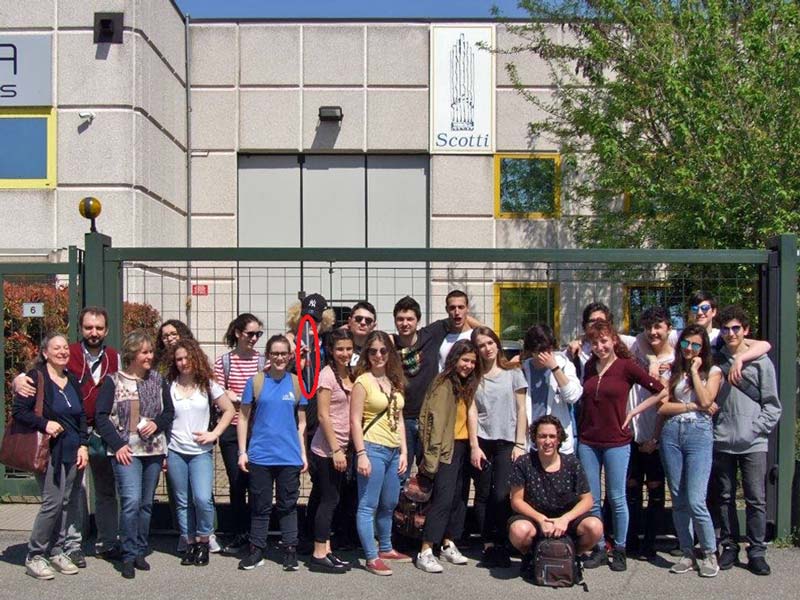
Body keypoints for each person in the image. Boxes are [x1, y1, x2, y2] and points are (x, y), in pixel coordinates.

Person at [12, 306, 121, 563]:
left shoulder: (114, 357)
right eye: (88, 327)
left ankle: (106, 542)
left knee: (106, 490)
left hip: (102, 432)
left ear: (106, 330)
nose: (93, 332)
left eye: (99, 328)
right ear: (81, 328)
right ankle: (73, 544)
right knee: (73, 494)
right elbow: (34, 373)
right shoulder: (66, 353)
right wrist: (17, 379)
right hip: (69, 437)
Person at [577, 319, 665, 572]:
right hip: (589, 441)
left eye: (604, 341)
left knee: (617, 497)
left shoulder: (627, 366)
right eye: (594, 342)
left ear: (614, 339)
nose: (600, 346)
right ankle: (600, 546)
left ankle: (621, 548)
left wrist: (634, 412)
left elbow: (660, 391)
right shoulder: (589, 367)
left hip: (617, 441)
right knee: (592, 499)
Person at [94, 330, 174, 579]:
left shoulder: (158, 380)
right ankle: (128, 554)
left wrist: (157, 424)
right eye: (145, 352)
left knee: (146, 504)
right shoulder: (113, 381)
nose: (150, 356)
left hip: (153, 449)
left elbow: (169, 413)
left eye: (151, 351)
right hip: (126, 450)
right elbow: (101, 417)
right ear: (132, 354)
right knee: (130, 502)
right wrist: (117, 444)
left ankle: (140, 548)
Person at [712, 306, 782, 576]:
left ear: (745, 331)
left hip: (753, 442)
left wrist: (756, 429)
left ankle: (756, 551)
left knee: (755, 498)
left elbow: (773, 405)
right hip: (722, 440)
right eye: (726, 329)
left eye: (736, 328)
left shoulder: (761, 362)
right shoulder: (715, 361)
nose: (731, 333)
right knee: (725, 497)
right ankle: (729, 546)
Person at [13, 333, 89, 580]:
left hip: (72, 451)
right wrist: (45, 424)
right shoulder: (36, 378)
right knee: (52, 503)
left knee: (67, 503)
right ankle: (35, 555)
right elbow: (19, 412)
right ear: (45, 352)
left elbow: (80, 418)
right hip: (50, 453)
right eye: (56, 348)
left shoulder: (72, 380)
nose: (62, 351)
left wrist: (83, 445)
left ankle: (56, 550)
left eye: (65, 347)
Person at [237, 335, 308, 572]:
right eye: (274, 353)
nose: (279, 358)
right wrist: (242, 451)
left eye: (283, 353)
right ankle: (256, 549)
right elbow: (243, 418)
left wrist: (303, 455)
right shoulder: (255, 382)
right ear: (268, 355)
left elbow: (301, 424)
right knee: (260, 504)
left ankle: (290, 549)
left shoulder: (297, 384)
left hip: (289, 456)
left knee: (288, 505)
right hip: (260, 456)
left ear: (290, 356)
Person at [392, 295, 482, 479]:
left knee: (430, 471)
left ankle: (424, 508)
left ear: (418, 320)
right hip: (403, 419)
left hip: (429, 417)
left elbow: (460, 317)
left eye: (410, 319)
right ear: (394, 321)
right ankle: (400, 507)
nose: (405, 323)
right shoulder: (389, 344)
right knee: (400, 473)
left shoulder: (431, 334)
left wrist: (484, 333)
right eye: (400, 319)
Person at [657, 324, 722, 577]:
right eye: (686, 344)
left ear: (703, 347)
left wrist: (695, 372)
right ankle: (686, 551)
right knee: (678, 497)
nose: (690, 349)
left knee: (696, 499)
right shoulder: (670, 371)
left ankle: (708, 552)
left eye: (696, 345)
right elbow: (662, 407)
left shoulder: (712, 371)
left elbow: (708, 400)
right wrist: (691, 406)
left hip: (699, 434)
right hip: (672, 433)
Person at [166, 338, 235, 566]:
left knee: (203, 498)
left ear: (195, 357)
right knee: (182, 500)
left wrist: (214, 434)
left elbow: (229, 409)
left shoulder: (207, 384)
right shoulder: (170, 385)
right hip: (175, 449)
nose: (183, 362)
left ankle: (204, 540)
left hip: (200, 451)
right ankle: (189, 542)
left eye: (187, 357)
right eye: (179, 359)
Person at [508, 415, 604, 578]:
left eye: (552, 436)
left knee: (595, 527)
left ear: (559, 439)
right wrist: (540, 519)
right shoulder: (524, 463)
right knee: (519, 531)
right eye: (542, 436)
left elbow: (588, 500)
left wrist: (565, 519)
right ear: (535, 438)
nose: (547, 441)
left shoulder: (572, 463)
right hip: (534, 518)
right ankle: (531, 557)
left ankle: (572, 555)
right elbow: (516, 500)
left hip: (566, 519)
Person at [415, 340, 481, 573]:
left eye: (473, 361)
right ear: (454, 359)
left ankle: (448, 543)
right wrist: (432, 456)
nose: (469, 365)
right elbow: (432, 422)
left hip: (462, 446)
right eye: (465, 360)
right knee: (442, 500)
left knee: (458, 498)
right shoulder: (443, 383)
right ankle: (425, 549)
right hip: (446, 448)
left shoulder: (466, 384)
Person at [350, 330, 409, 576]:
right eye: (373, 351)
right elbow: (354, 420)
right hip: (372, 448)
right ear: (367, 354)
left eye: (383, 351)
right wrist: (361, 453)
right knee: (368, 505)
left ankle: (386, 546)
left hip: (394, 450)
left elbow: (400, 418)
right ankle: (371, 556)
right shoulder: (362, 381)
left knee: (389, 503)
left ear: (390, 353)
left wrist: (404, 451)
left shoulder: (394, 381)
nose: (378, 355)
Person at [468, 325, 528, 568]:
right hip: (483, 441)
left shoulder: (513, 372)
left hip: (507, 442)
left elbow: (522, 409)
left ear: (497, 344)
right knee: (482, 493)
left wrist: (520, 443)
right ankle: (488, 543)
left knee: (502, 494)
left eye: (490, 343)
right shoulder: (474, 377)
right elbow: (471, 411)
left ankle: (503, 541)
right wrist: (474, 445)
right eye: (481, 345)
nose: (487, 348)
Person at [213, 313, 265, 555]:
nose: (254, 339)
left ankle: (257, 535)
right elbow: (218, 394)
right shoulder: (224, 362)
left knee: (257, 483)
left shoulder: (262, 362)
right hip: (231, 428)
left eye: (258, 334)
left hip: (258, 429)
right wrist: (229, 397)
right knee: (236, 482)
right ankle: (239, 533)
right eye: (250, 334)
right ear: (237, 333)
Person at [625, 307, 672, 558]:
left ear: (669, 329)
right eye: (648, 327)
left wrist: (655, 437)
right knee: (631, 487)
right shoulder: (636, 349)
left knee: (656, 489)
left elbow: (666, 402)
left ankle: (650, 543)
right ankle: (630, 541)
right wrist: (651, 360)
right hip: (631, 434)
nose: (653, 332)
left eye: (659, 327)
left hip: (658, 434)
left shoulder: (677, 357)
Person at [307, 329, 355, 573]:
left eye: (348, 348)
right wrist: (336, 449)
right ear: (330, 351)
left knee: (332, 499)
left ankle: (326, 550)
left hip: (343, 446)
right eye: (339, 349)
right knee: (328, 500)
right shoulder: (327, 375)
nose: (345, 353)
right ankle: (317, 554)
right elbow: (323, 415)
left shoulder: (350, 372)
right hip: (327, 449)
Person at [520, 324, 582, 455]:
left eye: (548, 350)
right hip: (532, 442)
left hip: (557, 442)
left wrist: (554, 368)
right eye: (539, 351)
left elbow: (573, 397)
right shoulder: (523, 369)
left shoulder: (564, 365)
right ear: (531, 350)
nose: (545, 355)